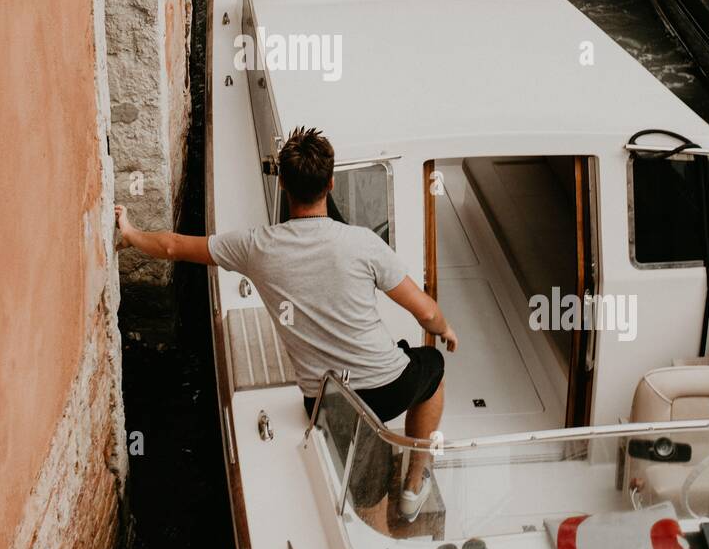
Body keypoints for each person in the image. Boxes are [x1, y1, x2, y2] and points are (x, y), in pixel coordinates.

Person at [115, 126, 458, 522]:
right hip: (389, 386)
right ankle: (414, 485)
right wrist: (446, 330)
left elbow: (174, 246)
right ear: (330, 183)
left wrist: (131, 233)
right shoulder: (363, 243)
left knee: (364, 493)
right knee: (433, 371)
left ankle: (368, 496)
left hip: (328, 402)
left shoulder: (255, 247)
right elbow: (427, 313)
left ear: (282, 184)